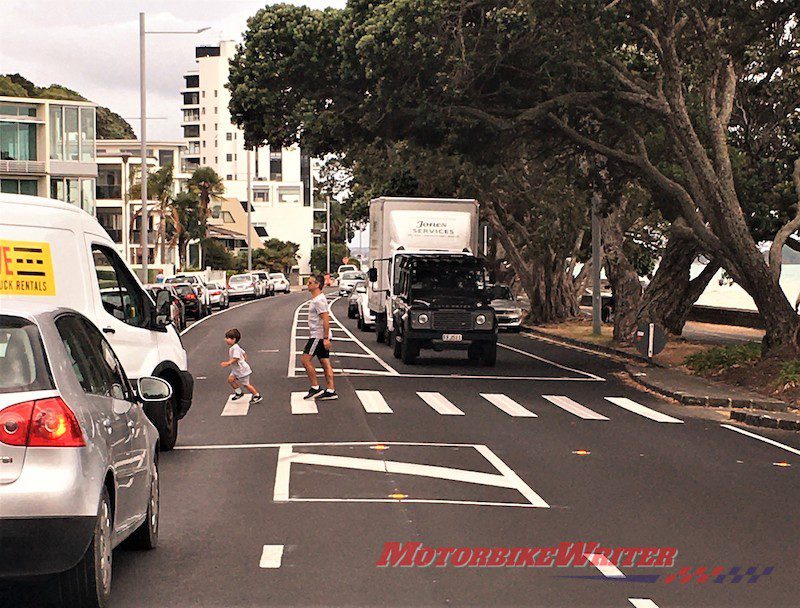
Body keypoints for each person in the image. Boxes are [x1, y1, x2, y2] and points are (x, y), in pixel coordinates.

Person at [301, 274, 337, 400]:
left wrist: (326, 338)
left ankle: (315, 387)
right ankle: (331, 390)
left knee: (305, 360)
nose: (307, 285)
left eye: (310, 283)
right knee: (325, 362)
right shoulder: (317, 299)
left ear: (317, 285)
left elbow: (326, 318)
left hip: (318, 336)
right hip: (319, 335)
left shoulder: (318, 300)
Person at [221, 328, 262, 403]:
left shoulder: (235, 348)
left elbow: (236, 358)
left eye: (227, 338)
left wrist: (228, 363)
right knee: (230, 380)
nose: (225, 340)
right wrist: (244, 360)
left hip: (242, 370)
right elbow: (243, 353)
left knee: (246, 384)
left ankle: (257, 395)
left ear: (233, 339)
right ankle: (239, 393)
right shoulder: (235, 347)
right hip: (236, 369)